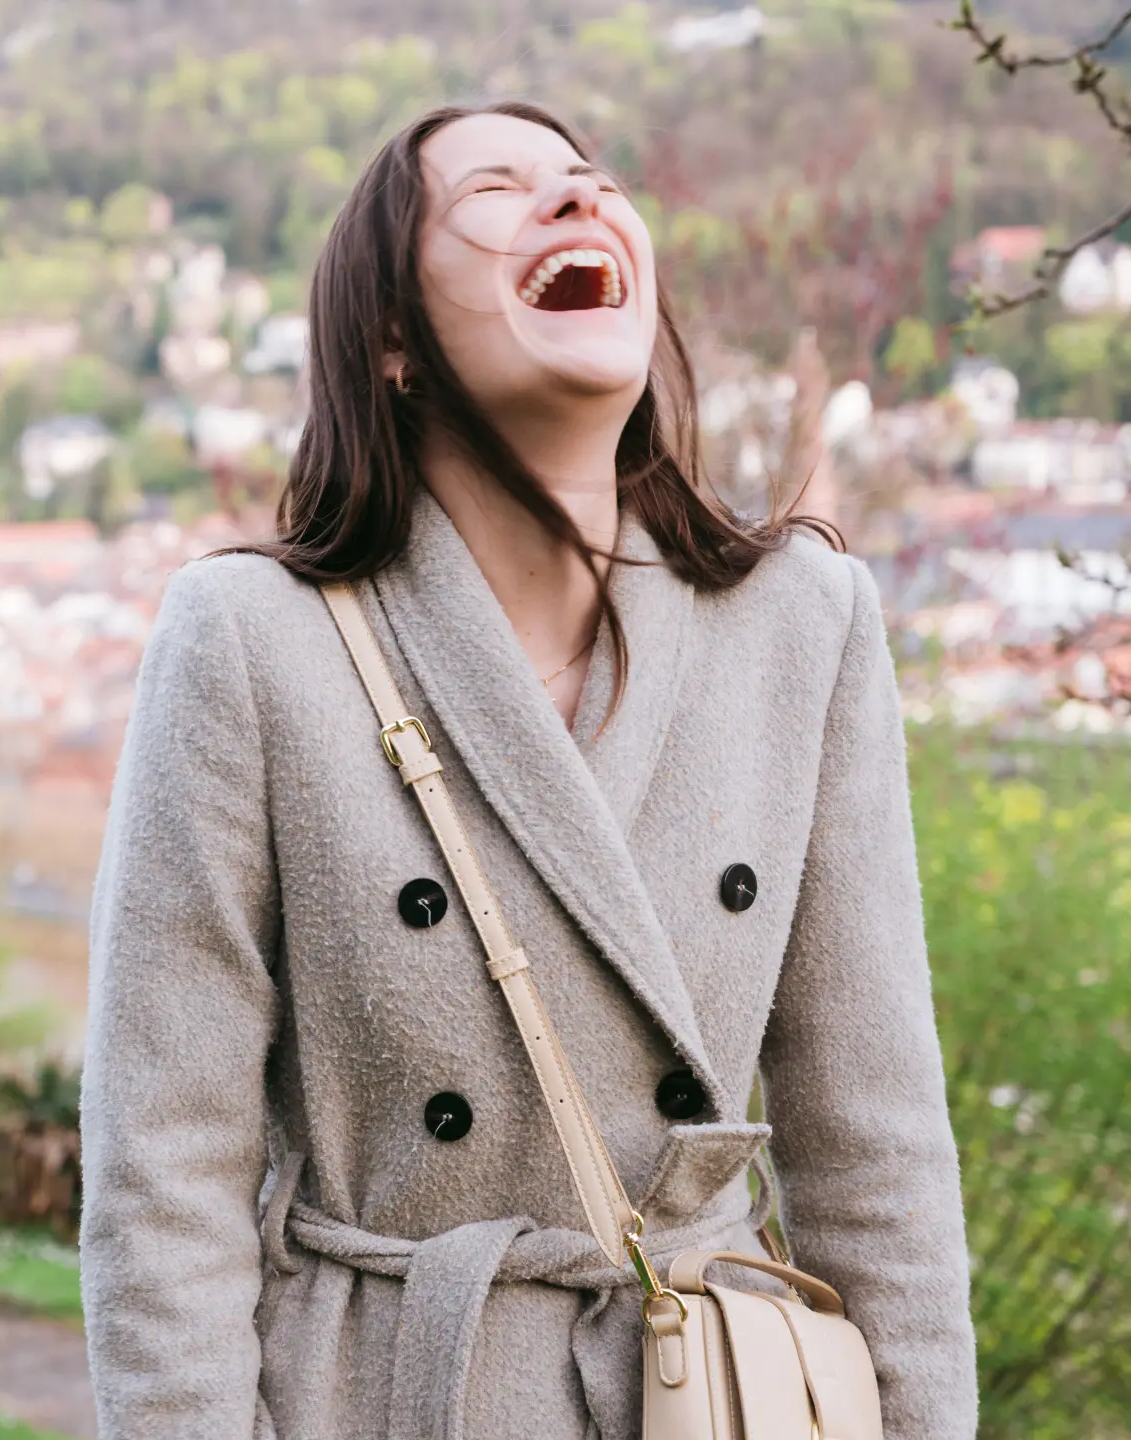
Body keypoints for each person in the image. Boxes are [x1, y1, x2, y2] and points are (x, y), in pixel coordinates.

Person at [78, 100, 978, 1439]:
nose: (579, 200)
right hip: (384, 1392)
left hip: (713, 1391)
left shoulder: (804, 624)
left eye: (594, 181)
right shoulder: (254, 642)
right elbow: (163, 1175)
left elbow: (876, 1143)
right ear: (389, 337)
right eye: (497, 190)